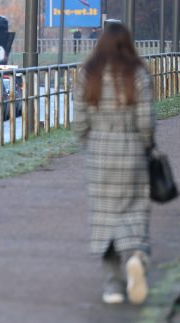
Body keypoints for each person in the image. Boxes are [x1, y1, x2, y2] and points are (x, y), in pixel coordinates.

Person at [74, 22, 155, 306]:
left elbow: (80, 122)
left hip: (99, 153)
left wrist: (89, 142)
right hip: (131, 150)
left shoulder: (89, 74)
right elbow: (146, 123)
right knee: (135, 208)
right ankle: (135, 256)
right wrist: (146, 145)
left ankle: (112, 286)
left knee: (104, 217)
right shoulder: (137, 74)